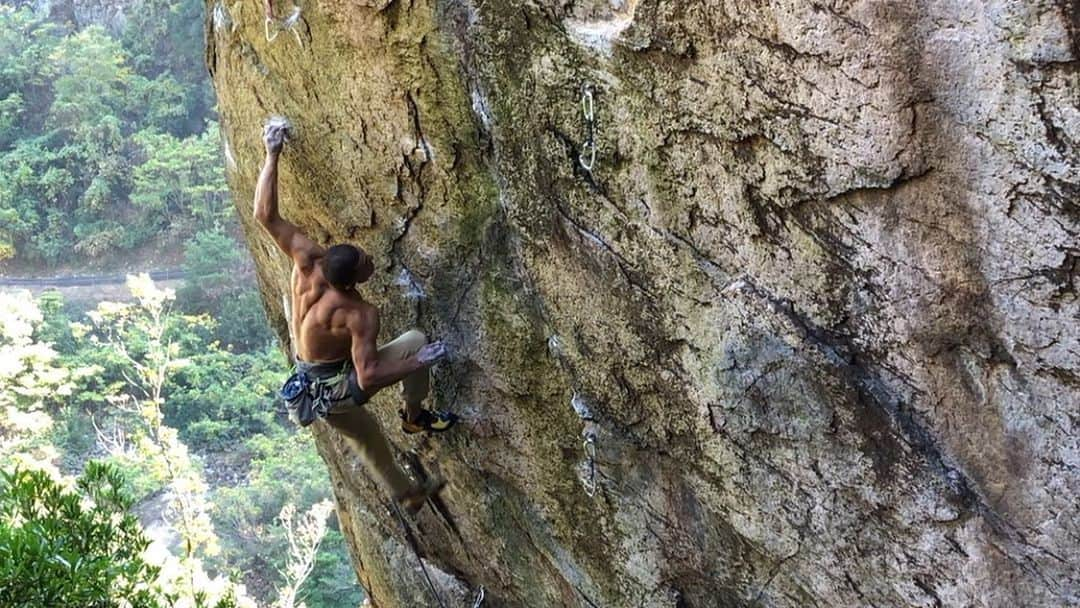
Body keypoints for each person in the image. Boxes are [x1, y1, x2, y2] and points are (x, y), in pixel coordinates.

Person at [254, 119, 457, 511]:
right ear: (351, 282)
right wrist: (421, 360)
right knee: (415, 343)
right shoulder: (358, 314)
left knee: (366, 438)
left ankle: (408, 488)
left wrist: (272, 152)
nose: (371, 261)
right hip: (334, 391)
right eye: (366, 263)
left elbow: (265, 215)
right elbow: (368, 376)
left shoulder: (307, 260)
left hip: (308, 378)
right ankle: (414, 418)